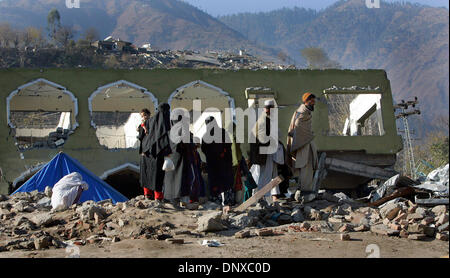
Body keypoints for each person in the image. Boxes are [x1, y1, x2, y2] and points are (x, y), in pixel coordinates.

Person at [164, 115, 206, 205]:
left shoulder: (168, 132)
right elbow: (185, 144)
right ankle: (184, 202)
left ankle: (174, 202)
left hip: (172, 161)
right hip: (183, 161)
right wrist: (194, 145)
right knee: (183, 181)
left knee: (173, 182)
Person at [249, 99, 286, 203]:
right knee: (265, 177)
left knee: (269, 176)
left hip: (267, 153)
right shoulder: (264, 121)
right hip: (265, 153)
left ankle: (268, 198)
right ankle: (262, 199)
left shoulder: (266, 120)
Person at [286, 93, 319, 203]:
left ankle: (305, 190)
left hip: (306, 144)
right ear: (307, 101)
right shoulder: (302, 112)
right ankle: (305, 192)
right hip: (303, 145)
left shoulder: (305, 112)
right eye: (312, 101)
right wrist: (307, 136)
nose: (313, 103)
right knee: (305, 167)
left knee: (307, 168)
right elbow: (298, 127)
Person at [141, 103, 173, 202]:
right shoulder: (164, 121)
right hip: (156, 153)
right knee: (157, 175)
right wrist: (167, 151)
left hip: (146, 152)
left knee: (147, 173)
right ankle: (158, 197)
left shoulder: (148, 122)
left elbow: (141, 136)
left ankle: (148, 195)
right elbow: (165, 138)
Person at [201, 116, 234, 207]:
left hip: (218, 163)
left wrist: (220, 153)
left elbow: (204, 149)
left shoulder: (207, 135)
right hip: (220, 163)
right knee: (222, 182)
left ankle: (219, 202)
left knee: (220, 182)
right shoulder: (221, 132)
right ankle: (226, 201)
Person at [137, 108, 153, 199]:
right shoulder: (143, 125)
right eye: (142, 116)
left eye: (145, 115)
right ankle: (147, 194)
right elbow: (141, 136)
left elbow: (141, 136)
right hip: (145, 152)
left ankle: (153, 194)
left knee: (150, 173)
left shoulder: (151, 125)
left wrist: (143, 127)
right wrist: (142, 127)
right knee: (145, 173)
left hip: (149, 152)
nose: (144, 117)